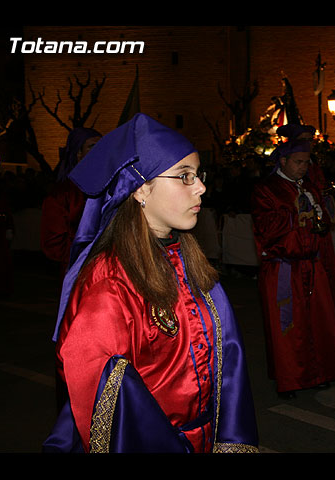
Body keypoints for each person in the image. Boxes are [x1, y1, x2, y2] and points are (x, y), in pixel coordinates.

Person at [43, 113, 259, 453]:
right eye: (184, 176)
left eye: (198, 175)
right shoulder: (110, 280)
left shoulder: (187, 261)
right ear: (141, 188)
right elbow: (101, 384)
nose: (201, 186)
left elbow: (227, 360)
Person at [251, 123, 335, 399]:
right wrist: (297, 215)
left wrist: (321, 212)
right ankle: (290, 378)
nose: (304, 167)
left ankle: (316, 373)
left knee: (316, 322)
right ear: (283, 161)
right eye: (299, 162)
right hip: (283, 267)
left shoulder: (308, 187)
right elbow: (266, 226)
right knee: (288, 327)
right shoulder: (266, 189)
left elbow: (323, 221)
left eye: (306, 162)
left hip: (311, 264)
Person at [40, 127, 102, 277]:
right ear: (78, 154)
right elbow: (53, 244)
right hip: (78, 272)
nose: (99, 151)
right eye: (92, 146)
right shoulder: (63, 193)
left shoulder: (110, 186)